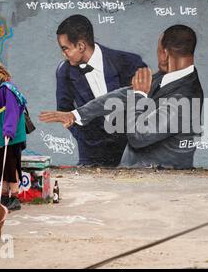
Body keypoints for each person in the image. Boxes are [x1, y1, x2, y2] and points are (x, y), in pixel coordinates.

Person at [40, 24, 204, 169]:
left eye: (158, 50)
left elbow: (139, 136)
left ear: (165, 54)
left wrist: (139, 96)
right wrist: (76, 114)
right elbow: (123, 95)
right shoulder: (165, 77)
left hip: (159, 181)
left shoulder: (186, 99)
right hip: (135, 173)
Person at [55, 14, 146, 166]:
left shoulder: (129, 62)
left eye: (65, 48)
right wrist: (85, 137)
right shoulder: (64, 71)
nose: (63, 54)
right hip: (91, 157)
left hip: (129, 154)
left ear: (81, 46)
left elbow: (145, 102)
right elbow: (64, 110)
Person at [0, 61, 26, 211]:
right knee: (2, 165)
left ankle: (15, 197)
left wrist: (8, 131)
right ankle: (4, 196)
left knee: (10, 165)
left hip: (10, 135)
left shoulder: (7, 89)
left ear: (1, 73)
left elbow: (12, 111)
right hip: (1, 136)